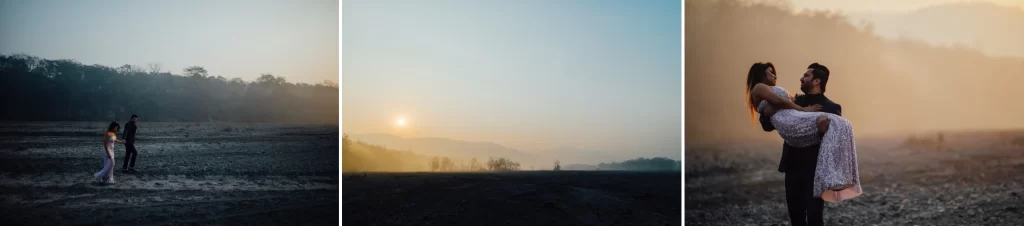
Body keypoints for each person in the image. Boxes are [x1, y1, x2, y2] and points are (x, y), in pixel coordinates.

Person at [749, 62, 862, 226]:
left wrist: (823, 131)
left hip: (815, 169)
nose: (801, 79)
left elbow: (835, 140)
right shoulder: (795, 100)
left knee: (815, 216)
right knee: (796, 217)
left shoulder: (831, 107)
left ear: (817, 81)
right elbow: (768, 125)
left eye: (806, 76)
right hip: (792, 165)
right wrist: (767, 113)